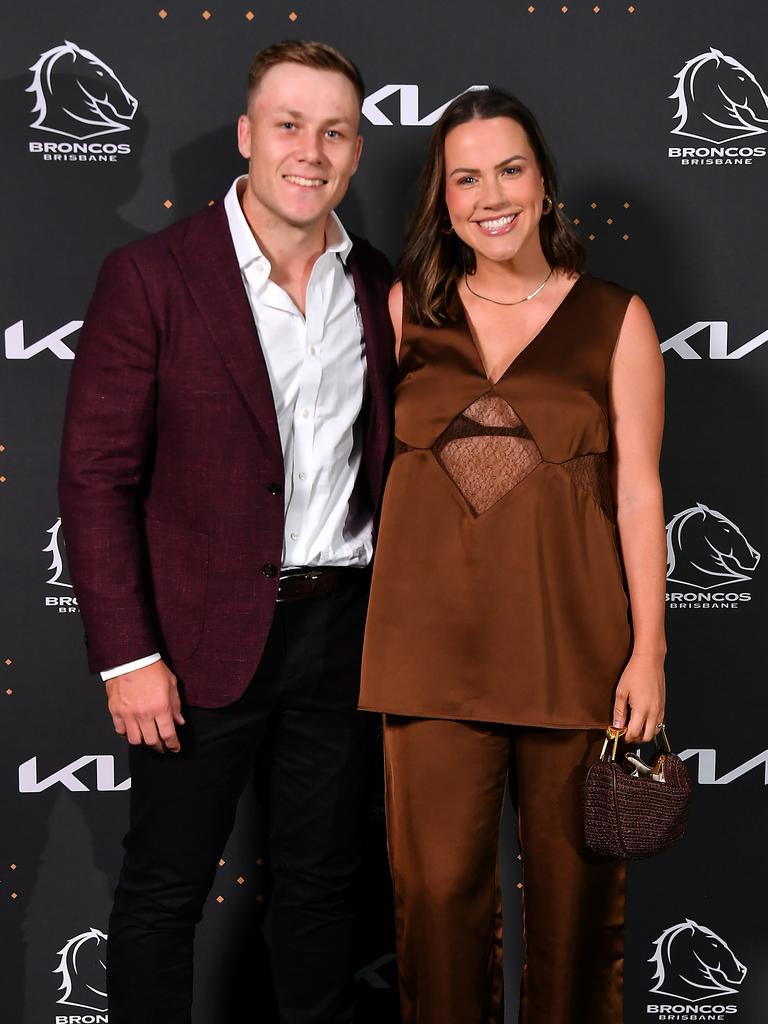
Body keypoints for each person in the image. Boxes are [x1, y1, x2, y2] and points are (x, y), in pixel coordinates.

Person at [58, 40, 393, 1024]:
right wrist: (127, 656)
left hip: (340, 636)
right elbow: (95, 479)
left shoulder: (377, 282)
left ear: (357, 152)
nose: (310, 150)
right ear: (248, 137)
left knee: (321, 888)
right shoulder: (153, 275)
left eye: (334, 131)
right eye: (289, 125)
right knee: (165, 893)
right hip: (194, 639)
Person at [359, 86, 666, 1024]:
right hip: (426, 660)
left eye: (509, 169)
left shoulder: (617, 317)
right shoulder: (405, 307)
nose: (490, 194)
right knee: (438, 906)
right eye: (465, 178)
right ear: (441, 199)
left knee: (577, 914)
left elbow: (640, 490)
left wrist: (648, 651)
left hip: (574, 653)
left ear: (543, 183)